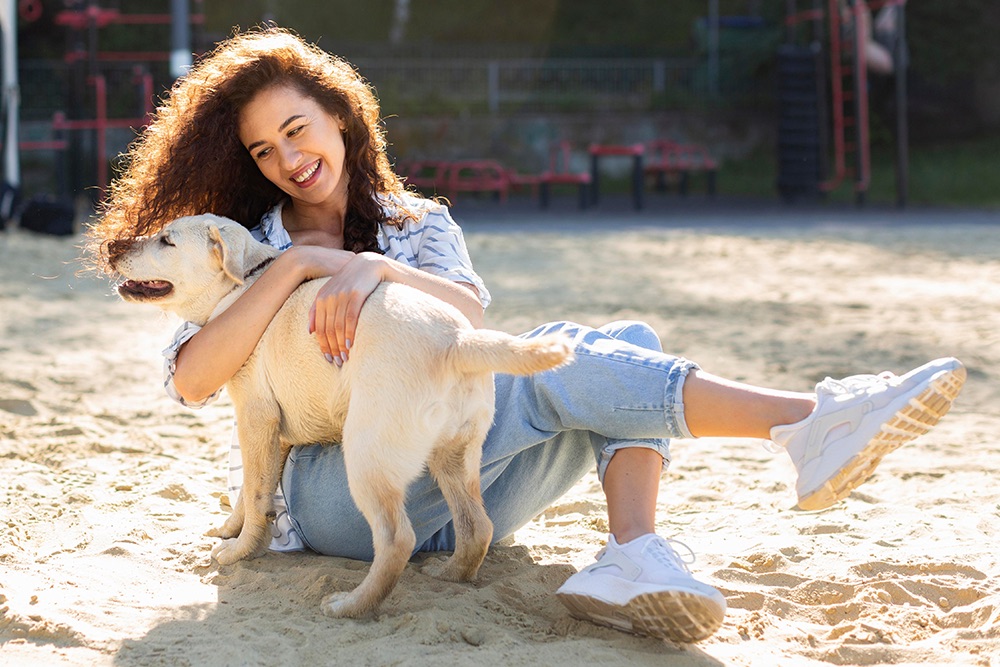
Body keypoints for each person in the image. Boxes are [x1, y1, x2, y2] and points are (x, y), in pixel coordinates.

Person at [88, 27, 965, 644]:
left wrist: (374, 268)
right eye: (262, 150)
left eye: (296, 129)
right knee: (581, 364)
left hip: (464, 480)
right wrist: (299, 269)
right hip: (337, 505)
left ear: (342, 120)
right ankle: (806, 421)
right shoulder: (246, 248)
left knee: (620, 339)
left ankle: (634, 554)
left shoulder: (417, 225)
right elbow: (196, 380)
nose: (286, 157)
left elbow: (467, 321)